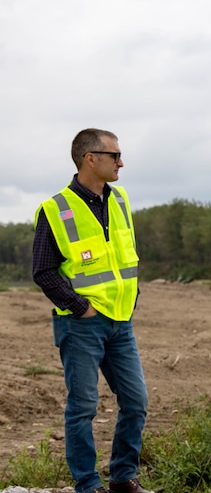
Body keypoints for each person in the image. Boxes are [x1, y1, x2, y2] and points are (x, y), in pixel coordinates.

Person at [32, 129, 151, 493]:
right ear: (90, 158)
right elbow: (43, 271)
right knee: (83, 407)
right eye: (114, 155)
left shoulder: (121, 200)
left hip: (121, 322)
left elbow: (123, 258)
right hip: (81, 325)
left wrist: (131, 298)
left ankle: (122, 477)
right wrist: (79, 306)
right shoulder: (55, 210)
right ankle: (87, 484)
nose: (121, 162)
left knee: (136, 402)